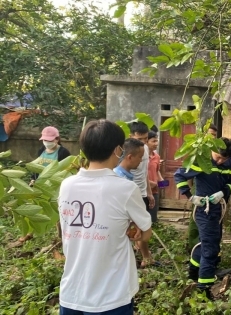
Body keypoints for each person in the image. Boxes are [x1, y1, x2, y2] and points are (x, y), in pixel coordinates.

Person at [58, 119, 152, 315]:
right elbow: (145, 233)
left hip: (71, 292)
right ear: (118, 150)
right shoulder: (125, 189)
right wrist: (135, 232)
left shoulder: (67, 185)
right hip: (111, 296)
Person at [174, 137, 231, 300]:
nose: (221, 161)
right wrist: (190, 196)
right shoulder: (202, 160)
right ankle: (204, 289)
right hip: (204, 210)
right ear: (212, 150)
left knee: (205, 244)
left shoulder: (228, 164)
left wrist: (223, 192)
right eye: (218, 157)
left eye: (225, 159)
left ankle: (193, 273)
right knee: (211, 250)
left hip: (218, 209)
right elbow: (179, 176)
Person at [21, 126, 72, 244]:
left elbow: (66, 170)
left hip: (55, 186)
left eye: (50, 140)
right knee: (36, 209)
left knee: (56, 211)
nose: (47, 143)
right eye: (45, 140)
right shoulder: (41, 151)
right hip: (41, 185)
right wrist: (33, 179)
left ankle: (61, 236)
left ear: (57, 139)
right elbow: (36, 168)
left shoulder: (63, 152)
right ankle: (29, 233)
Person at [128, 122, 157, 268]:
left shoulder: (145, 150)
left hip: (142, 193)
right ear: (131, 136)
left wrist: (149, 193)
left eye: (146, 139)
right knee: (134, 227)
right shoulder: (126, 152)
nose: (144, 142)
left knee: (142, 226)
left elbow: (144, 172)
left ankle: (145, 257)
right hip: (129, 194)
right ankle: (143, 257)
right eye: (140, 139)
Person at [147, 131, 163, 223]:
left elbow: (157, 171)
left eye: (157, 141)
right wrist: (149, 183)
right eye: (153, 141)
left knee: (152, 219)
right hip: (143, 192)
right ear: (146, 141)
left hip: (155, 192)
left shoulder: (156, 156)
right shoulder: (141, 157)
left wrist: (161, 180)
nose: (156, 144)